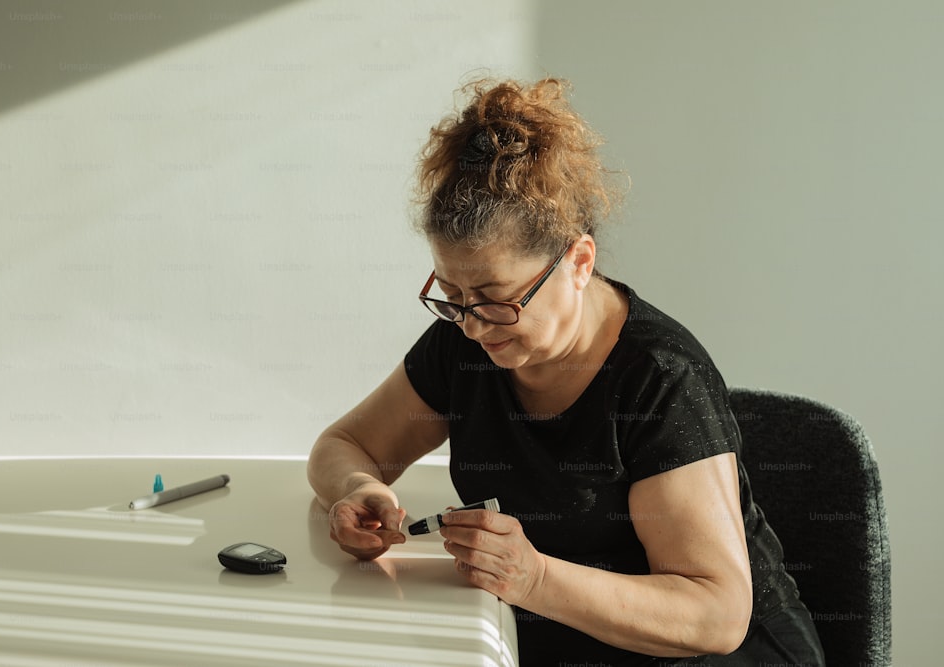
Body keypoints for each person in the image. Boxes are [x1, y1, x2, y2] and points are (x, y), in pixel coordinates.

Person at [308, 77, 825, 666]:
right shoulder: (466, 338)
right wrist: (360, 489)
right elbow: (344, 444)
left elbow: (717, 614)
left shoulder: (660, 379)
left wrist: (533, 580)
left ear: (579, 262)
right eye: (452, 294)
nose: (474, 327)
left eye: (498, 298)